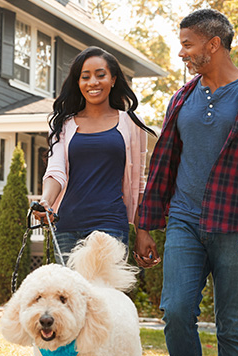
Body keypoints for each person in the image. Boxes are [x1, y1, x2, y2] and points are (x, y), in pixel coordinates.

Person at [134, 9, 238, 356]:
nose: (181, 53)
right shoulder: (181, 98)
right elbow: (163, 164)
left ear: (214, 43)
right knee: (175, 314)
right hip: (184, 222)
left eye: (187, 45)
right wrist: (144, 224)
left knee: (232, 328)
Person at [35, 46, 156, 259]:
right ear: (78, 82)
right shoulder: (63, 124)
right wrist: (45, 201)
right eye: (85, 77)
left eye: (101, 75)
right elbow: (56, 171)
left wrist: (142, 232)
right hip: (67, 227)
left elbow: (138, 184)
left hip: (111, 227)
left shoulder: (132, 124)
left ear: (113, 80)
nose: (92, 82)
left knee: (105, 292)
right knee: (70, 292)